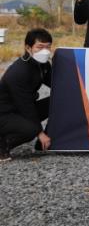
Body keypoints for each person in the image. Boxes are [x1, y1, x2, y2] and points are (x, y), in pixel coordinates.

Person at [0, 29, 53, 161]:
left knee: (56, 102)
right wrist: (39, 132)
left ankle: (50, 137)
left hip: (19, 109)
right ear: (28, 48)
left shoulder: (43, 65)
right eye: (40, 47)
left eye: (48, 47)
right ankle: (2, 146)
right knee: (31, 130)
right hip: (5, 113)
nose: (45, 51)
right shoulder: (19, 72)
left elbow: (56, 84)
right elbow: (25, 106)